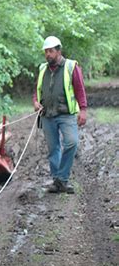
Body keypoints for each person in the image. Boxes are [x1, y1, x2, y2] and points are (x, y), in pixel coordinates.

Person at [33, 36, 87, 194]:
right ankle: (58, 182)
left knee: (71, 143)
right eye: (46, 51)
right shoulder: (43, 68)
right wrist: (36, 102)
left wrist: (83, 110)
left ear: (58, 51)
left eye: (50, 51)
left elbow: (79, 89)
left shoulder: (71, 66)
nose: (47, 54)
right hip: (47, 115)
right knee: (53, 149)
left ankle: (62, 178)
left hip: (66, 114)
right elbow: (37, 89)